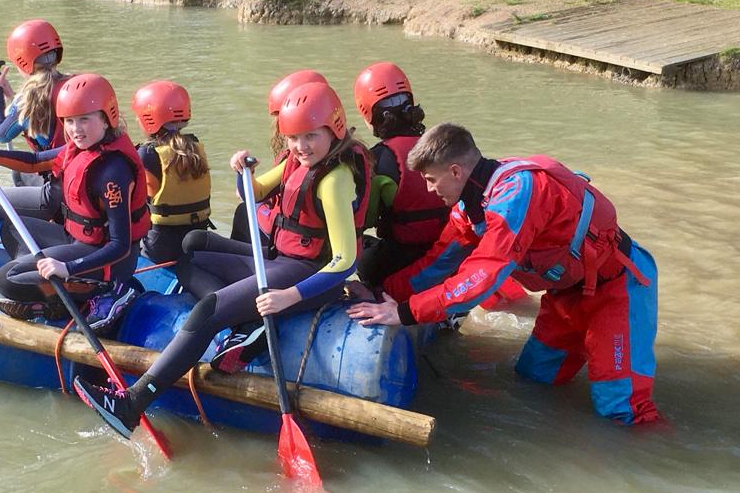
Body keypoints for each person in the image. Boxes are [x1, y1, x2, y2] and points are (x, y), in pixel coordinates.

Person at [73, 80, 371, 439]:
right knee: (192, 245)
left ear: (334, 128)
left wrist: (292, 296)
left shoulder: (334, 180)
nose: (300, 146)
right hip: (279, 259)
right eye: (294, 137)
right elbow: (254, 192)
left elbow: (344, 262)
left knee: (208, 311)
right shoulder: (298, 160)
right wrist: (240, 168)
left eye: (310, 136)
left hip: (308, 275)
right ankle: (248, 323)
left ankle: (133, 404)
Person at [347, 123, 660, 425]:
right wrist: (379, 293)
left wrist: (404, 312)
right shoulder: (468, 211)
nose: (429, 190)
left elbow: (481, 278)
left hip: (618, 287)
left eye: (431, 179)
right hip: (565, 294)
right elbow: (435, 265)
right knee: (534, 381)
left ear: (456, 171)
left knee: (621, 408)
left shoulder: (518, 194)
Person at [0, 73, 150, 331]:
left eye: (84, 119)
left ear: (107, 118)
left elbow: (120, 245)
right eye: (69, 121)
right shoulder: (79, 148)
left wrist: (66, 267)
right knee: (11, 227)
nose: (75, 129)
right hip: (75, 238)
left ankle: (109, 291)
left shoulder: (113, 171)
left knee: (7, 280)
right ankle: (57, 293)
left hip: (105, 258)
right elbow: (35, 161)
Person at [352, 61, 448, 287]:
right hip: (447, 252)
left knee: (361, 254)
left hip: (402, 259)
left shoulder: (376, 158)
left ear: (368, 114)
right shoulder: (445, 143)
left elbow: (364, 219)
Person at [229, 68, 328, 241]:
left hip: (298, 243)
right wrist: (244, 171)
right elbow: (252, 192)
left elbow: (250, 195)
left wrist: (245, 176)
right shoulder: (306, 155)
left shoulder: (307, 159)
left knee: (244, 213)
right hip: (299, 238)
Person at [0, 19, 69, 214]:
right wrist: (12, 98)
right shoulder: (72, 83)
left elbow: (1, 133)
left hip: (57, 189)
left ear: (22, 62)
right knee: (20, 174)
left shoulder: (27, 100)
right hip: (75, 174)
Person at [132, 80, 213, 265]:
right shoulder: (195, 145)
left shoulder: (147, 154)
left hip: (161, 247)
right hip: (198, 238)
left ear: (149, 117)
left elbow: (137, 202)